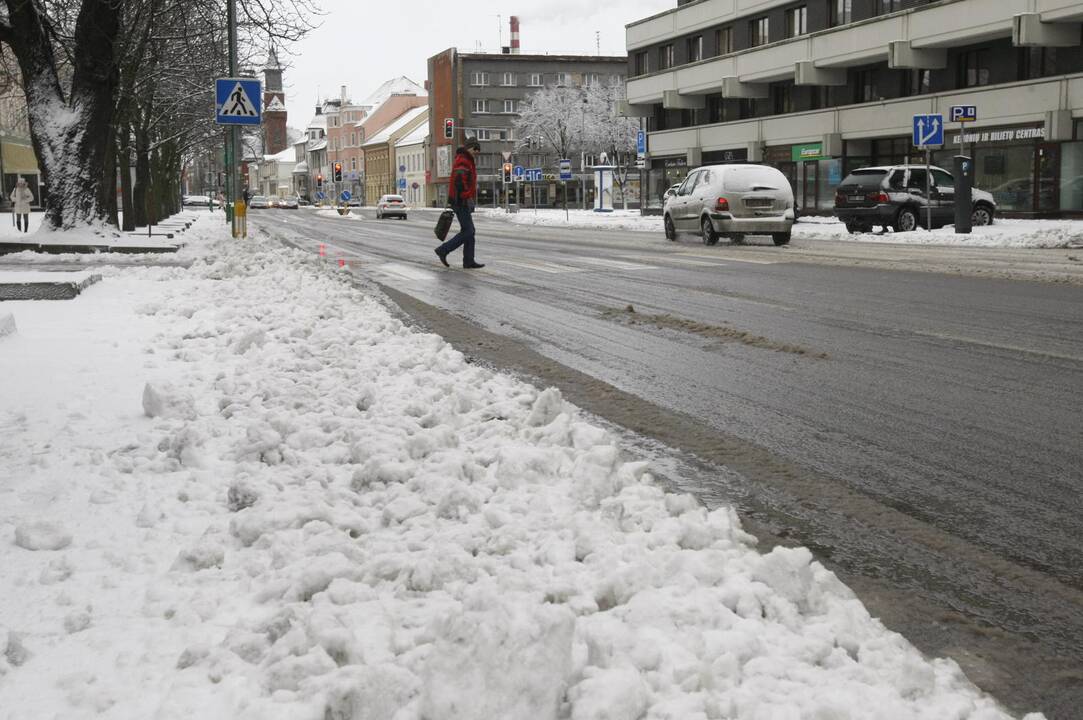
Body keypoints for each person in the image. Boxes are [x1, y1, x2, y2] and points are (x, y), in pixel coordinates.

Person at [435, 138, 485, 269]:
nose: (476, 152)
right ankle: (443, 250)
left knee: (469, 231)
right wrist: (466, 195)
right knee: (469, 230)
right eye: (475, 149)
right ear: (469, 148)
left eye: (478, 150)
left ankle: (468, 261)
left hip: (461, 200)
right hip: (460, 201)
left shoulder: (466, 159)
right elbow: (459, 180)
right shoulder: (464, 160)